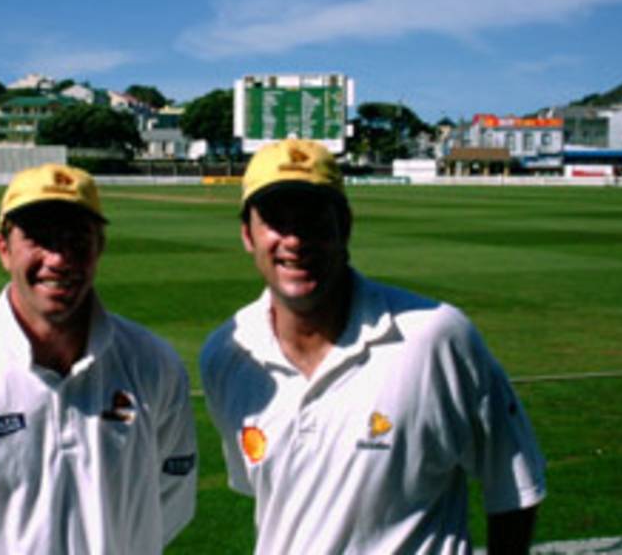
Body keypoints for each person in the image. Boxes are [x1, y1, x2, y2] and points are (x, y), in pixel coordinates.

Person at [200, 139, 546, 554]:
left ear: (344, 228)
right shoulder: (227, 353)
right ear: (247, 235)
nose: (294, 239)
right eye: (276, 220)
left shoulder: (437, 337)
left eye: (313, 219)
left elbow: (513, 485)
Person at [0, 163, 197, 554]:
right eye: (39, 238)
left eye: (76, 238)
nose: (58, 258)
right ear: (4, 249)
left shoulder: (154, 364)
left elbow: (171, 501)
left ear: (99, 247)